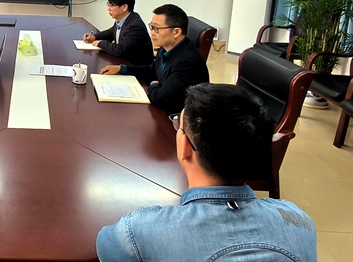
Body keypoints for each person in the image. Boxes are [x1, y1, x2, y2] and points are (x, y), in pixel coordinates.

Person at [96, 83, 317, 262]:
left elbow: (105, 244)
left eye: (179, 125)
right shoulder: (300, 222)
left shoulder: (138, 232)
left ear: (184, 147)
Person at [101, 4, 208, 115]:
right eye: (152, 27)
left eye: (157, 29)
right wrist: (121, 69)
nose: (152, 32)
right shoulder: (165, 48)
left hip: (175, 118)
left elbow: (160, 98)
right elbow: (151, 70)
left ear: (176, 32)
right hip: (163, 109)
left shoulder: (187, 62)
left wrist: (153, 85)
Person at [82, 0, 153, 64]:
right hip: (123, 63)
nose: (108, 9)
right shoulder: (123, 19)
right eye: (108, 4)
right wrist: (94, 37)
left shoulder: (135, 26)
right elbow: (111, 32)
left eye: (111, 5)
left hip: (135, 67)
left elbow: (119, 50)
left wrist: (100, 43)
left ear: (124, 7)